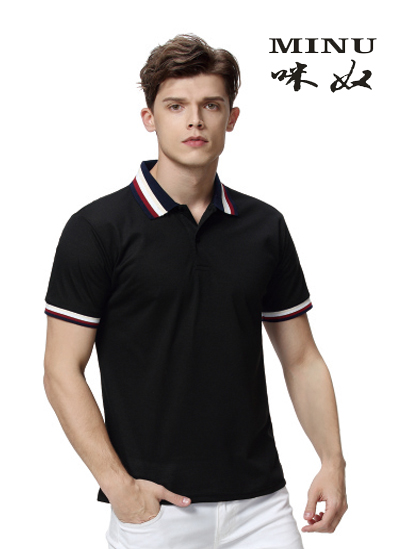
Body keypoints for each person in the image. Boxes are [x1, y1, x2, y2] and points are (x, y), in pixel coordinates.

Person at [43, 34, 347, 549]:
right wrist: (122, 492)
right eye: (175, 106)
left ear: (231, 117)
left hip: (262, 507)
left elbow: (301, 359)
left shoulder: (264, 226)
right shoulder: (97, 229)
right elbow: (60, 370)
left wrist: (332, 461)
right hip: (156, 511)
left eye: (211, 105)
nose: (195, 121)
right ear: (149, 118)